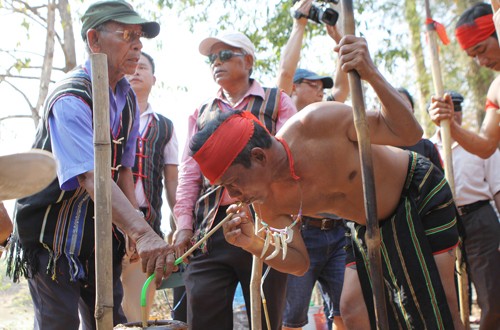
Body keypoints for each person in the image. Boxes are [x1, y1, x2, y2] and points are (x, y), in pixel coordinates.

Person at [190, 35, 465, 330]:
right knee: (352, 307)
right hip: (362, 226)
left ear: (259, 157)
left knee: (441, 306)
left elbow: (409, 133)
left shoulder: (318, 122)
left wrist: (370, 72)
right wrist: (254, 243)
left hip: (417, 192)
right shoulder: (266, 201)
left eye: (233, 183)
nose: (233, 195)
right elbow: (299, 262)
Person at [5, 1, 175, 329]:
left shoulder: (126, 101)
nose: (138, 44)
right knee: (59, 323)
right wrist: (142, 234)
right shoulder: (71, 98)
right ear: (94, 40)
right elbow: (89, 175)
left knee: (110, 319)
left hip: (96, 237)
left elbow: (124, 170)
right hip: (50, 237)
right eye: (127, 34)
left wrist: (133, 227)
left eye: (140, 36)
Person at [172, 31, 297, 329]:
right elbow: (189, 174)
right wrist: (184, 226)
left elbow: (292, 163)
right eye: (212, 58)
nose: (217, 62)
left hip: (266, 226)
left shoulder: (276, 102)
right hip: (209, 230)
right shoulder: (200, 114)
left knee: (265, 317)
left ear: (249, 61)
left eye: (225, 55)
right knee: (203, 315)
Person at [276, 2, 348, 328]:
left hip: (338, 232)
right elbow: (284, 75)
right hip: (301, 234)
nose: (320, 88)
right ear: (293, 90)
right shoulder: (282, 113)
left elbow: (345, 86)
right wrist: (300, 24)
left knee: (346, 310)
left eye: (322, 84)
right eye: (312, 83)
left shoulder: (328, 115)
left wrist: (337, 35)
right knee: (292, 318)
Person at [429, 91, 500, 329]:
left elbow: (498, 189)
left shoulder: (481, 145)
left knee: (491, 294)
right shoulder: (428, 149)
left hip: (480, 220)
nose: (453, 114)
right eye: (448, 107)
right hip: (444, 223)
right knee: (452, 297)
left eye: (457, 108)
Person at [120, 51, 179, 322]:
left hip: (148, 223)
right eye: (131, 66)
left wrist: (179, 226)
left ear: (153, 78)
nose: (136, 72)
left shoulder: (165, 126)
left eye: (143, 67)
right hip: (108, 223)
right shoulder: (110, 115)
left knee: (138, 307)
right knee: (103, 300)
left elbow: (172, 180)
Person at [429, 2, 500, 158]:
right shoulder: (496, 91)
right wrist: (450, 123)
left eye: (481, 50)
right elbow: (486, 145)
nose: (481, 62)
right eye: (474, 56)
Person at [397, 87, 443, 171]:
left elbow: (441, 180)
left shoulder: (427, 147)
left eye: (404, 104)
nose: (400, 109)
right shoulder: (380, 149)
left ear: (413, 110)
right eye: (395, 104)